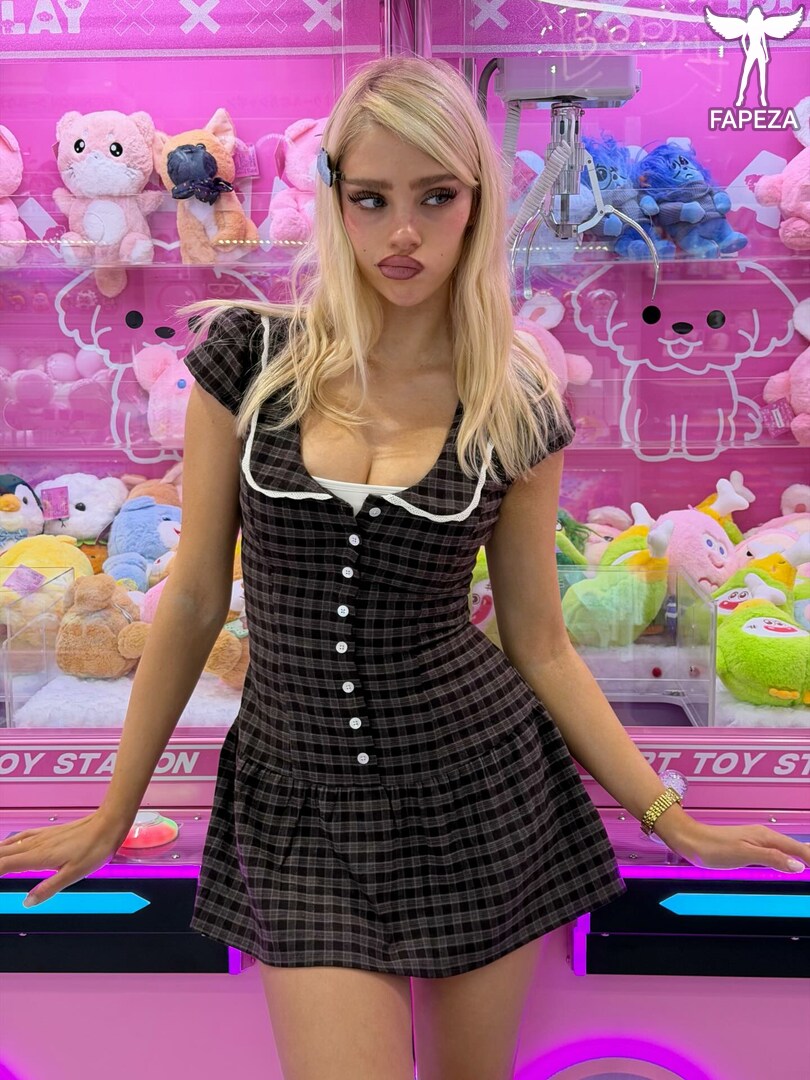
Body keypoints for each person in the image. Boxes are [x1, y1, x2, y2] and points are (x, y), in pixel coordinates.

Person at [1, 56, 807, 1080]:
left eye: (436, 197)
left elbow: (541, 644)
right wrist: (117, 809)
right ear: (334, 197)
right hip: (298, 798)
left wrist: (672, 818)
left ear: (476, 203)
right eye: (373, 198)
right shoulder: (247, 362)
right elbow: (196, 596)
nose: (403, 234)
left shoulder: (512, 402)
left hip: (476, 787)